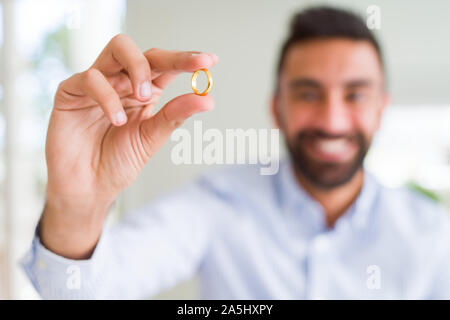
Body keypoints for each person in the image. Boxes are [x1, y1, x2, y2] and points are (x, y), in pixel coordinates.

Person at [21, 6, 450, 299]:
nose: (332, 120)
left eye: (355, 95)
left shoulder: (434, 237)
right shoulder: (218, 203)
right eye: (307, 93)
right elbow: (82, 290)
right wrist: (78, 204)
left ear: (381, 110)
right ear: (276, 108)